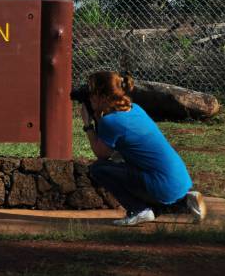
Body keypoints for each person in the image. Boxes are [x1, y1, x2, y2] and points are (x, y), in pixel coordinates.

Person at [80, 71, 207, 226]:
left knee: (99, 168)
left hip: (160, 183)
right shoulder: (134, 109)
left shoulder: (111, 122)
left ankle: (138, 209)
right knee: (125, 163)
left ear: (105, 97)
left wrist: (88, 125)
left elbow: (101, 154)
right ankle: (185, 202)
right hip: (177, 180)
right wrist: (99, 117)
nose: (90, 97)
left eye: (93, 94)